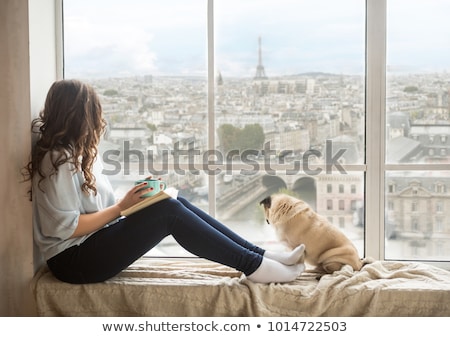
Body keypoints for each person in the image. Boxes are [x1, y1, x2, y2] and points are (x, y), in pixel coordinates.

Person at [24, 79, 305, 285]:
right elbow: (67, 227)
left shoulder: (80, 154)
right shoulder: (57, 161)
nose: (100, 120)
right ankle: (255, 267)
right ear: (81, 117)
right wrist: (123, 207)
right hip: (74, 262)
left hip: (89, 247)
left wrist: (138, 197)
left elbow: (98, 210)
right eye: (94, 113)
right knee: (169, 213)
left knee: (171, 202)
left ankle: (259, 255)